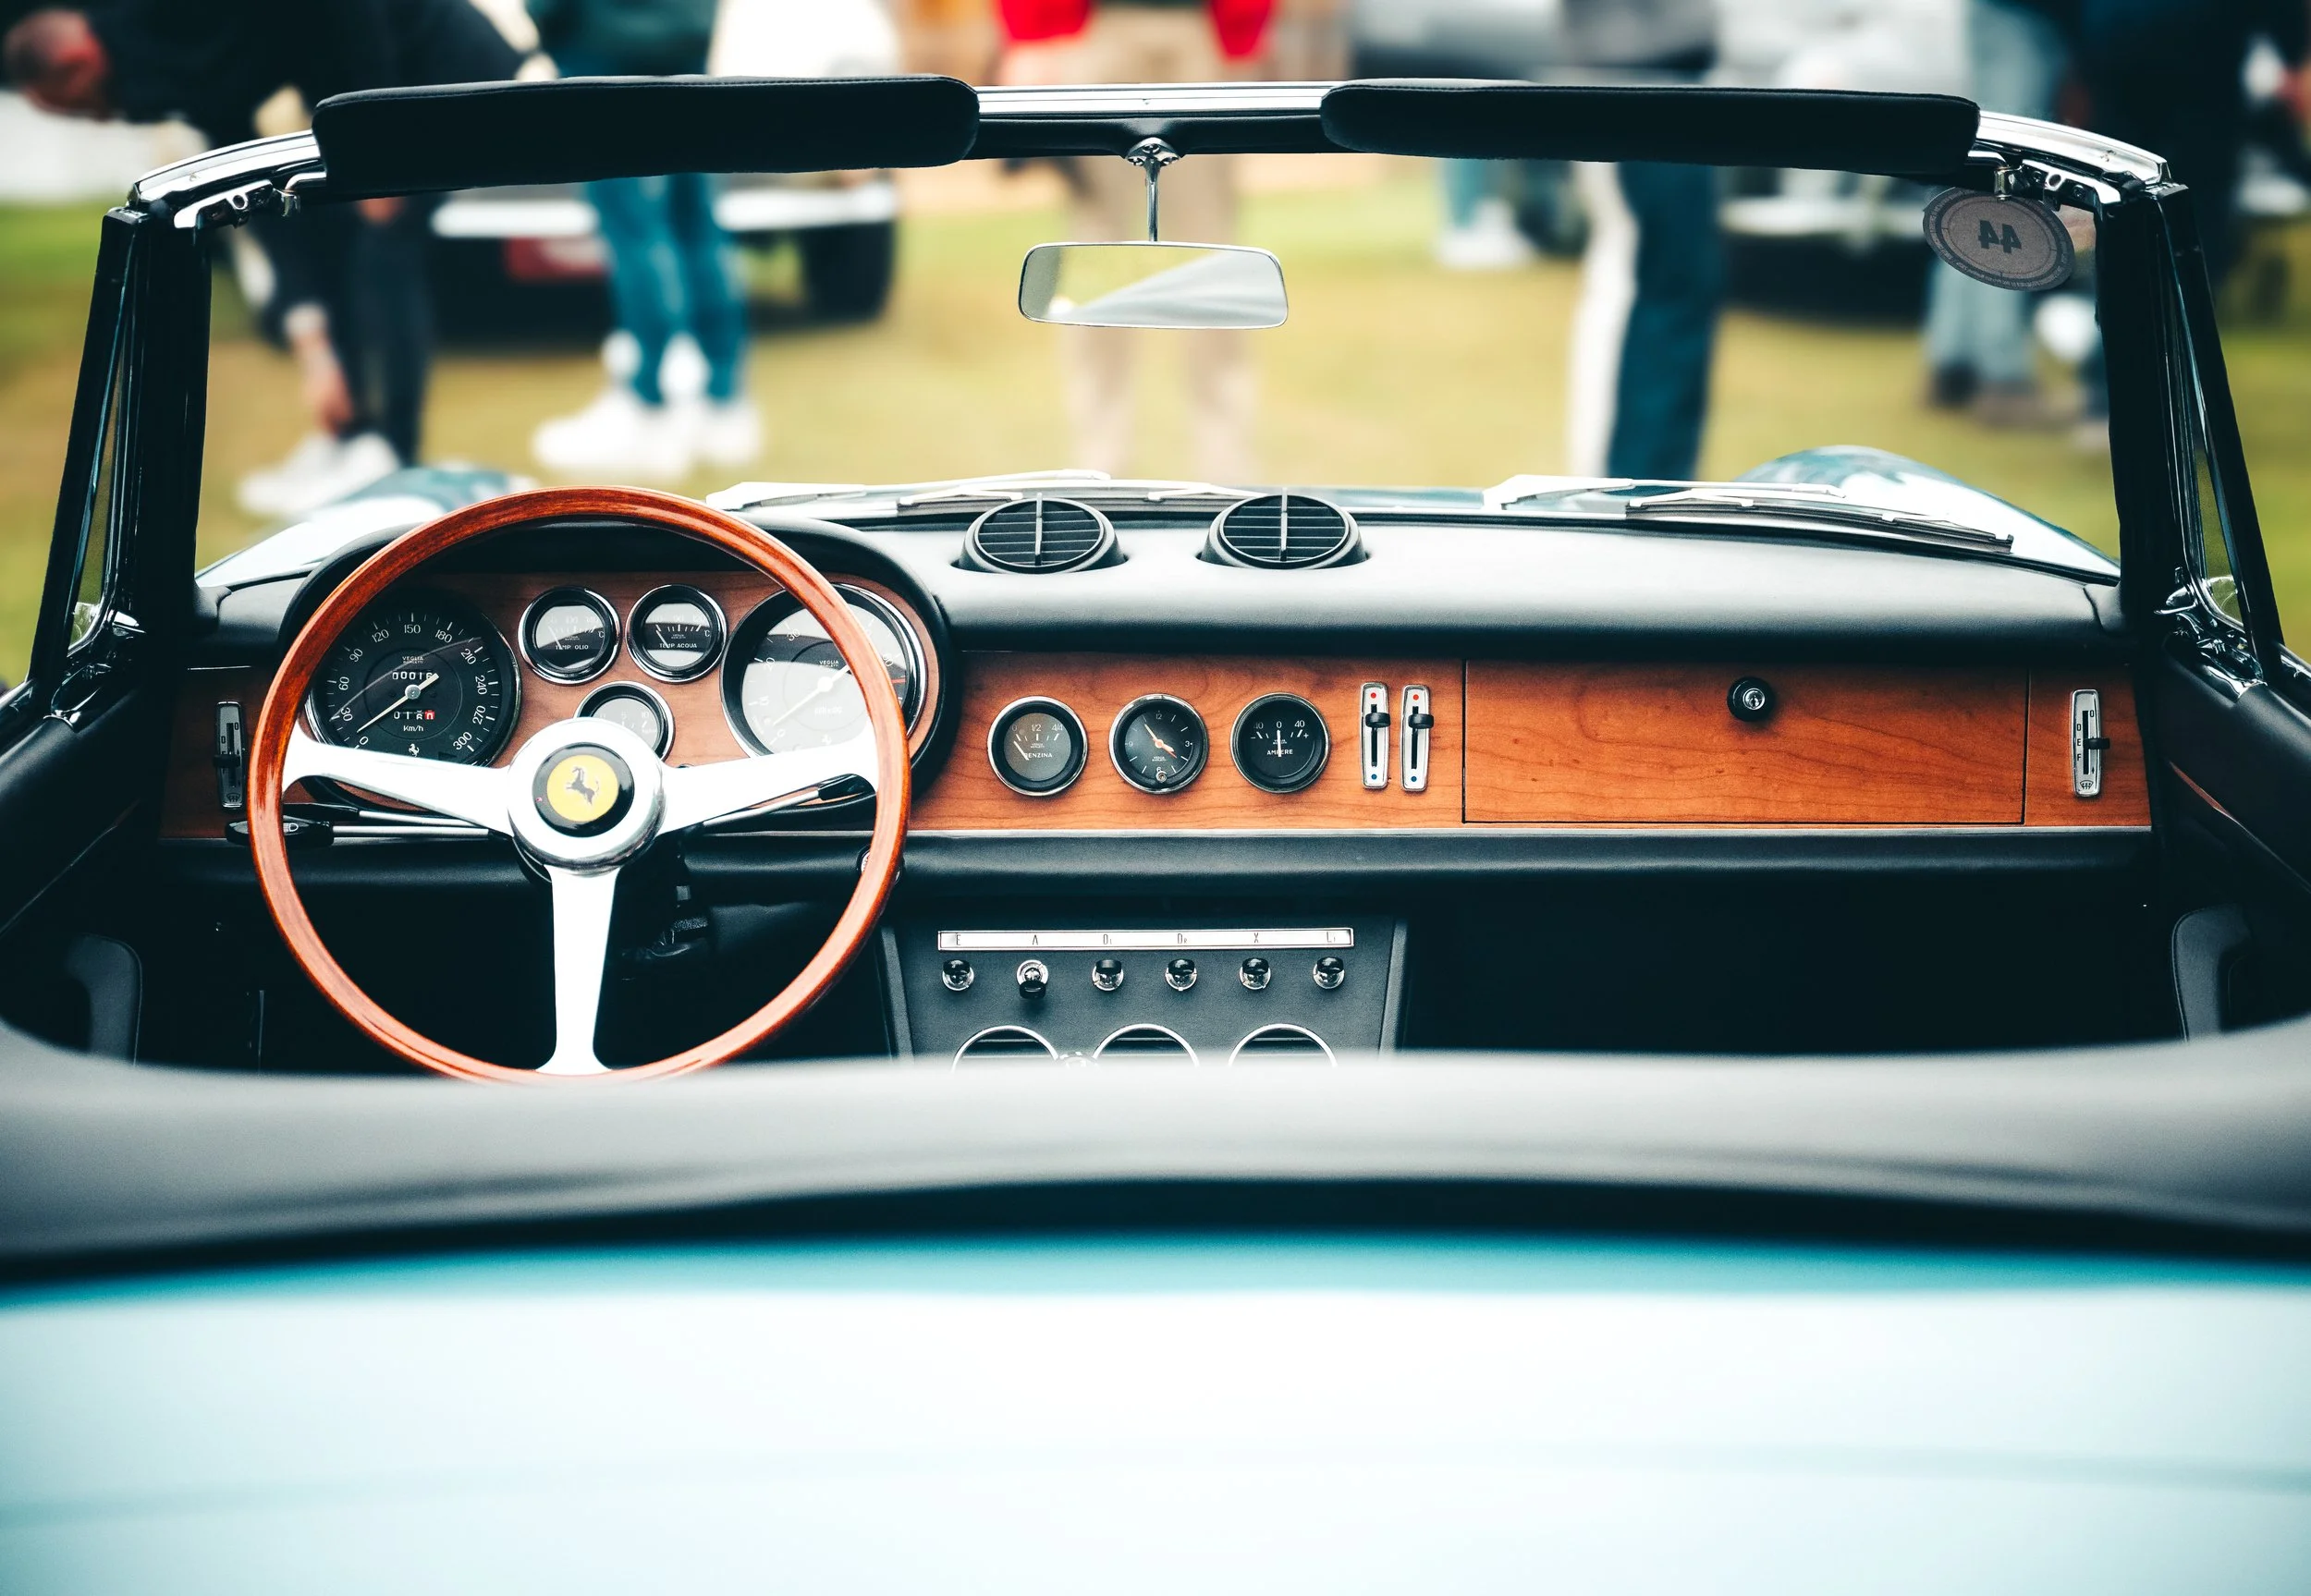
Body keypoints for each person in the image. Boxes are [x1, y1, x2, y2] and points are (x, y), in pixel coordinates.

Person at [4, 1, 522, 514]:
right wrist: (313, 345)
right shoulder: (174, 69)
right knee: (324, 230)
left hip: (437, 70)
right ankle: (351, 437)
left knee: (384, 249)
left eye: (77, 105)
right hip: (367, 100)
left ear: (80, 61)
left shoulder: (163, 17)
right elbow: (253, 199)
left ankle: (393, 455)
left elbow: (351, 13)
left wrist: (375, 134)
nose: (93, 118)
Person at [997, 0, 1272, 483]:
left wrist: (1245, 29)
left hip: (1200, 30)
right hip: (1098, 29)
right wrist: (1030, 33)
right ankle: (1099, 465)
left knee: (1213, 254)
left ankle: (1227, 470)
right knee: (1097, 256)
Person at [526, 0, 759, 481]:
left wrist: (551, 21)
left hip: (602, 35)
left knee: (633, 225)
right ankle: (722, 399)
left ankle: (652, 400)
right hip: (687, 28)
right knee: (694, 218)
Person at [1559, 0, 1723, 481]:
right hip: (1630, 78)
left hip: (1652, 75)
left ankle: (1648, 481)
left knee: (1671, 284)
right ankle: (1619, 485)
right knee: (1648, 280)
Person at [1921, 0, 2073, 428]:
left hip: (2005, 14)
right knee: (2008, 181)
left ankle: (1953, 362)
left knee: (1981, 178)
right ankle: (2002, 377)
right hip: (2026, 16)